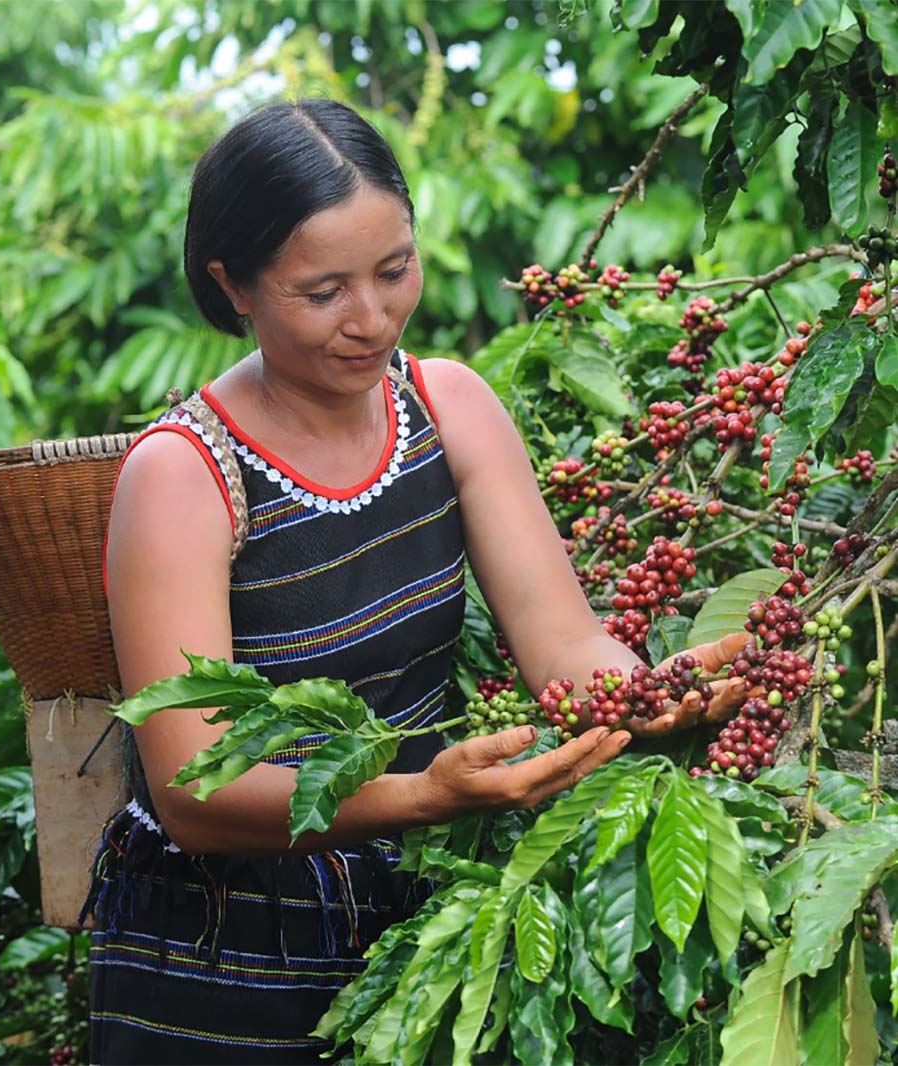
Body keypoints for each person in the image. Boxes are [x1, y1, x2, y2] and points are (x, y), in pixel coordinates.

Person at [81, 97, 748, 1064]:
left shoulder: (451, 407)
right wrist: (422, 795)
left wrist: (651, 692)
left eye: (395, 271)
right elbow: (192, 791)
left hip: (412, 937)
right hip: (221, 970)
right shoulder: (184, 475)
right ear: (234, 285)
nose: (373, 318)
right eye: (322, 292)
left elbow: (564, 644)